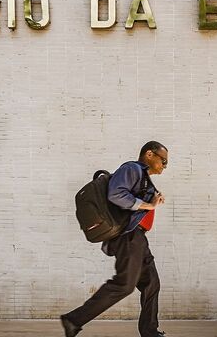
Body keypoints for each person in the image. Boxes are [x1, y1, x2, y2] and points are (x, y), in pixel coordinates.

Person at [61, 141, 169, 337]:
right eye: (163, 160)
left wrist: (152, 201)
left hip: (138, 238)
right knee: (124, 285)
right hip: (128, 238)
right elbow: (116, 194)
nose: (165, 166)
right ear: (149, 154)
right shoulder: (132, 168)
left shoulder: (142, 177)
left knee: (152, 282)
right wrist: (149, 205)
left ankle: (150, 332)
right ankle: (73, 319)